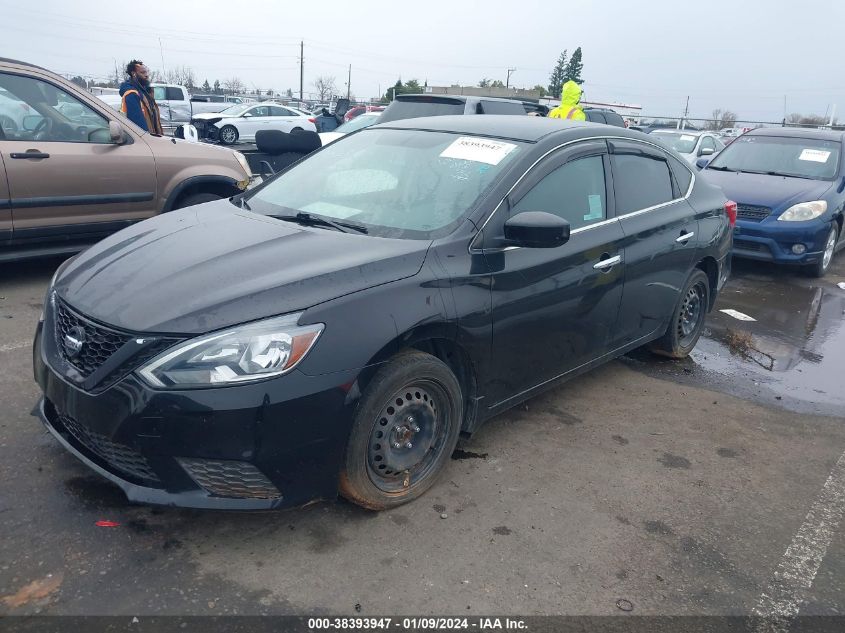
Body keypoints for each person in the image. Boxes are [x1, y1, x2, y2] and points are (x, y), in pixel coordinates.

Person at [119, 60, 163, 134]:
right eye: (143, 72)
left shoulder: (145, 91)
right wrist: (148, 139)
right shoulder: (132, 94)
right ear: (134, 74)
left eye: (146, 72)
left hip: (154, 138)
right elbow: (138, 124)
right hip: (146, 140)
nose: (146, 75)